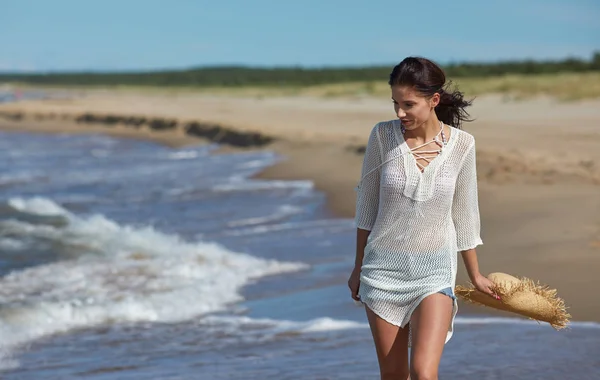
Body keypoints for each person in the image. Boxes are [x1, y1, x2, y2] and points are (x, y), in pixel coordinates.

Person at [348, 57, 499, 380]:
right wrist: (358, 267)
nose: (400, 113)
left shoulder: (462, 145)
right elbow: (367, 208)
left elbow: (464, 213)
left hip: (434, 273)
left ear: (434, 101)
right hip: (382, 273)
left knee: (423, 372)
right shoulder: (382, 137)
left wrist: (475, 275)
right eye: (395, 104)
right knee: (393, 374)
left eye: (408, 105)